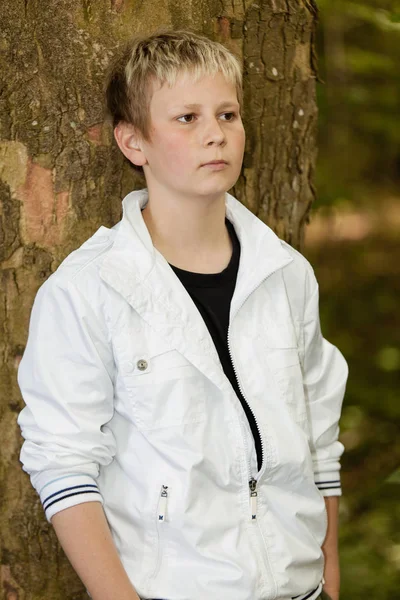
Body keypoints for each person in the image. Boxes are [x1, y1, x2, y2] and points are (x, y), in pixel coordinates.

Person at [17, 28, 348, 600]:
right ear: (133, 143)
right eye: (187, 119)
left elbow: (320, 435)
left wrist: (330, 573)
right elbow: (62, 463)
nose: (216, 135)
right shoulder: (88, 290)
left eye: (227, 114)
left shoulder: (286, 274)